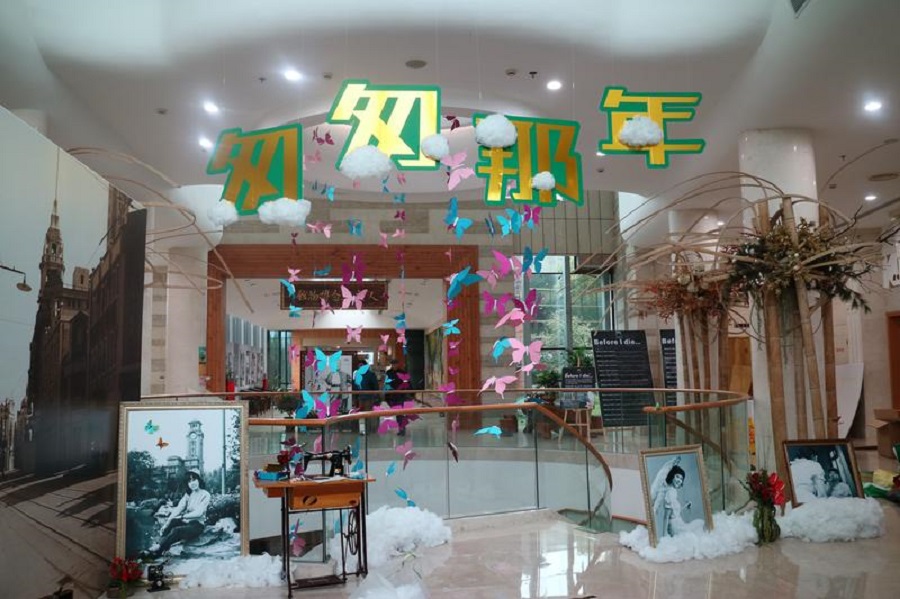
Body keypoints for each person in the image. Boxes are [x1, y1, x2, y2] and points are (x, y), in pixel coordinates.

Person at [146, 469, 210, 557]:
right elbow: (178, 509)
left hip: (197, 525)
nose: (192, 483)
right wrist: (167, 523)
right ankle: (160, 545)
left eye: (194, 479)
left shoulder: (205, 494)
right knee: (172, 522)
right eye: (189, 481)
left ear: (199, 480)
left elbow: (199, 513)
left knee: (177, 530)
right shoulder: (189, 495)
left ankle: (159, 549)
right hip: (187, 523)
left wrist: (182, 516)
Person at [650, 456, 692, 538]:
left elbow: (674, 513)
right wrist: (664, 536)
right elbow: (666, 517)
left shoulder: (673, 491)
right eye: (677, 477)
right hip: (675, 527)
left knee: (698, 525)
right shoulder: (669, 492)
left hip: (679, 523)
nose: (679, 480)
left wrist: (685, 506)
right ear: (672, 476)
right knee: (697, 528)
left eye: (681, 478)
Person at [384, 359, 411, 436]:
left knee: (400, 412)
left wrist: (407, 391)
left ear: (398, 364)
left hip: (400, 395)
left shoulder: (403, 372)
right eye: (393, 364)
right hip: (391, 395)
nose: (394, 366)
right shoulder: (388, 373)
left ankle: (402, 428)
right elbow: (386, 383)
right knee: (397, 412)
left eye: (395, 364)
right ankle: (401, 427)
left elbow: (407, 382)